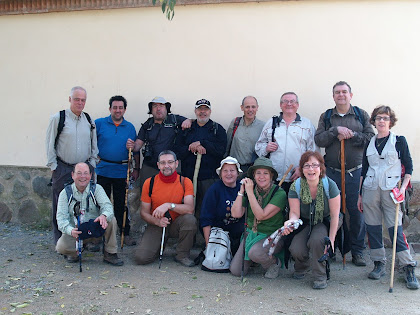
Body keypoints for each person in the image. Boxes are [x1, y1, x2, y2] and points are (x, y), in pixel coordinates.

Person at [357, 106, 418, 290]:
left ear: (390, 121)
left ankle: (408, 266)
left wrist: (404, 187)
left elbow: (408, 168)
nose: (381, 121)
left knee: (395, 230)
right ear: (373, 122)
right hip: (370, 190)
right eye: (378, 118)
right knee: (373, 229)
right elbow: (365, 170)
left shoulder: (399, 141)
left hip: (392, 191)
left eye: (385, 118)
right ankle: (378, 263)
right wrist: (360, 195)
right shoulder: (369, 142)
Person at [315, 81, 375, 267]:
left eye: (344, 92)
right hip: (332, 172)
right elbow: (319, 139)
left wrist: (352, 135)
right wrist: (335, 131)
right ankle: (330, 249)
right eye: (337, 92)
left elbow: (370, 138)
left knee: (355, 212)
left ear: (351, 94)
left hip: (355, 173)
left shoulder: (360, 114)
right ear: (333, 96)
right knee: (330, 212)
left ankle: (357, 251)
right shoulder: (326, 117)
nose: (341, 95)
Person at [46, 86, 98, 244]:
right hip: (64, 168)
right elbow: (49, 143)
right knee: (61, 206)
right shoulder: (58, 118)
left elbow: (93, 144)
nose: (80, 103)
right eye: (77, 99)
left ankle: (85, 240)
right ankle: (62, 242)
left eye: (83, 100)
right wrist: (54, 166)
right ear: (70, 99)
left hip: (84, 170)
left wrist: (93, 164)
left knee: (86, 205)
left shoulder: (89, 120)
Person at [283, 151, 341, 289]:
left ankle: (320, 276)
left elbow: (335, 216)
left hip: (324, 221)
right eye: (307, 165)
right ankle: (302, 266)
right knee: (296, 248)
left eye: (315, 165)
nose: (311, 169)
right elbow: (295, 213)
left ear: (321, 168)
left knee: (318, 241)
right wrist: (290, 222)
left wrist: (331, 241)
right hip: (305, 221)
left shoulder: (330, 185)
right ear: (301, 169)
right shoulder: (296, 186)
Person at [134, 150, 197, 267]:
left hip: (177, 223)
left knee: (190, 220)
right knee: (141, 258)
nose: (166, 166)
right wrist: (156, 221)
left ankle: (182, 255)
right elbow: (144, 213)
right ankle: (156, 247)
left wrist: (169, 205)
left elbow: (189, 209)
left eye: (170, 162)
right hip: (157, 223)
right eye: (163, 163)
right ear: (158, 165)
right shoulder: (150, 182)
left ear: (176, 164)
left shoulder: (185, 182)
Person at [56, 162, 123, 266]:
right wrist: (70, 231)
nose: (83, 176)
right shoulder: (65, 194)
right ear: (72, 175)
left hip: (95, 228)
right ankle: (76, 250)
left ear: (91, 175)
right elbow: (61, 219)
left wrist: (103, 216)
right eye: (79, 173)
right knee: (61, 247)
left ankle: (110, 253)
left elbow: (108, 207)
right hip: (76, 231)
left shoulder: (97, 189)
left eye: (86, 173)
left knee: (111, 219)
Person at [229, 157, 287, 279]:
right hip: (251, 234)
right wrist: (241, 192)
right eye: (258, 173)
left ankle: (274, 263)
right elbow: (235, 214)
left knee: (255, 253)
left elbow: (261, 215)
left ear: (271, 176)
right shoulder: (250, 190)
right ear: (253, 176)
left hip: (271, 236)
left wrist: (249, 193)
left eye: (265, 173)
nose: (261, 177)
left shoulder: (279, 193)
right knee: (236, 270)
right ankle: (256, 260)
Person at [95, 95, 139, 246]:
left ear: (125, 109)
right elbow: (90, 143)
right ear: (110, 109)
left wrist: (136, 166)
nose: (118, 110)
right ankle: (99, 234)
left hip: (121, 171)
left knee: (122, 204)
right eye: (115, 107)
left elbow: (136, 151)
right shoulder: (99, 124)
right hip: (103, 170)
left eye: (121, 107)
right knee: (101, 204)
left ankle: (124, 233)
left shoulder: (130, 127)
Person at [174, 99, 227, 219]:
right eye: (200, 109)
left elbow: (221, 151)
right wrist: (191, 147)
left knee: (208, 210)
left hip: (209, 179)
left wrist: (203, 143)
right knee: (188, 211)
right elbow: (177, 151)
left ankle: (205, 236)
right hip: (188, 179)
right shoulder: (186, 128)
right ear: (195, 111)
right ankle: (190, 236)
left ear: (210, 111)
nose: (202, 112)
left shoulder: (217, 129)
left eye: (206, 109)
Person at [255, 92, 317, 194]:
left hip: (298, 178)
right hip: (273, 178)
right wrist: (266, 148)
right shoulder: (271, 123)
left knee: (296, 208)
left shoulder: (307, 125)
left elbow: (313, 153)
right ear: (280, 105)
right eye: (285, 101)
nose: (289, 104)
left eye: (292, 101)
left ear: (297, 105)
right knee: (275, 208)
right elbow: (258, 146)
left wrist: (302, 168)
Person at [126, 96, 191, 189]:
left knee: (172, 195)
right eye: (155, 106)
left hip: (171, 167)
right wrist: (131, 145)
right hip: (150, 166)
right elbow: (137, 146)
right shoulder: (147, 125)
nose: (158, 108)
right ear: (151, 110)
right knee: (147, 193)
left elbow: (194, 122)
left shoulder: (175, 120)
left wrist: (189, 121)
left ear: (166, 108)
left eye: (161, 105)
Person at [200, 156, 245, 256]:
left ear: (238, 173)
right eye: (225, 171)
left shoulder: (243, 188)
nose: (229, 174)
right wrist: (209, 247)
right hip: (217, 230)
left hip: (236, 231)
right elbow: (206, 219)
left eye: (232, 170)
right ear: (220, 174)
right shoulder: (214, 190)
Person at [225, 96, 265, 175]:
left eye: (253, 107)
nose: (250, 110)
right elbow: (227, 145)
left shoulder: (263, 126)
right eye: (247, 107)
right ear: (242, 108)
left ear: (257, 108)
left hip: (253, 169)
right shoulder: (235, 123)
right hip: (235, 169)